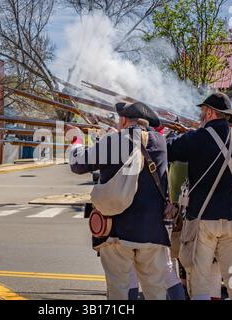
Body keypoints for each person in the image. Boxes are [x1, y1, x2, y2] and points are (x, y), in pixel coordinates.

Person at [69, 102, 185, 300]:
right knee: (156, 291)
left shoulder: (114, 140)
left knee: (119, 291)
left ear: (123, 119)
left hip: (118, 231)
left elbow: (78, 164)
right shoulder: (160, 142)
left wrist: (76, 141)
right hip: (153, 231)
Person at [167, 92, 232, 300]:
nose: (201, 115)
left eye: (203, 111)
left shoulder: (197, 137)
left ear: (211, 112)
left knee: (200, 281)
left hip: (204, 219)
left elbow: (168, 150)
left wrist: (184, 135)